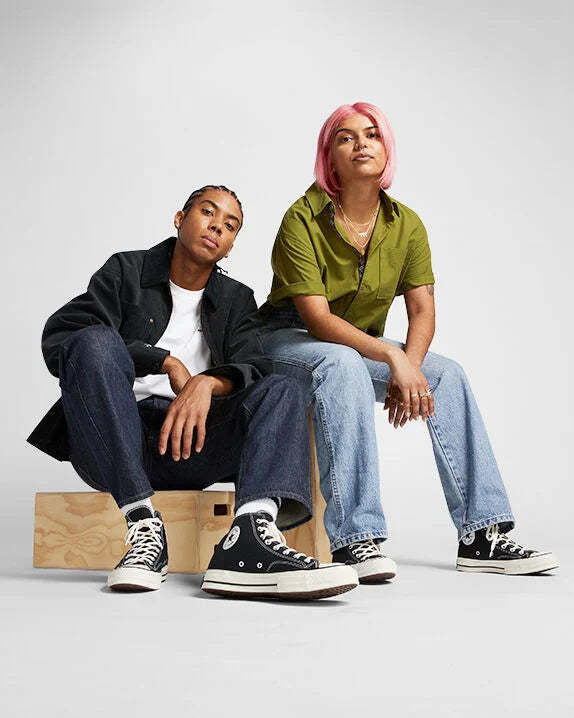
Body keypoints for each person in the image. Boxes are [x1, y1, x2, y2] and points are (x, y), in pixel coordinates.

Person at [251, 103, 558, 580]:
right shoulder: (302, 218)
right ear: (329, 156)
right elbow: (318, 320)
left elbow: (422, 311)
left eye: (372, 134)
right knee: (341, 363)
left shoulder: (406, 224)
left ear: (386, 148)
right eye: (346, 137)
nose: (361, 143)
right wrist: (392, 357)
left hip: (357, 346)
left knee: (446, 375)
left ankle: (482, 534)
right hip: (286, 342)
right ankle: (356, 539)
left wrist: (410, 368)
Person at [27, 184, 358, 600]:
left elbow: (255, 366)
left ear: (230, 247)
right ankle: (145, 530)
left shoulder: (236, 299)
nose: (217, 227)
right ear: (180, 218)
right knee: (94, 340)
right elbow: (64, 336)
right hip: (111, 439)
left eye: (230, 225)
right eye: (208, 212)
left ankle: (249, 538)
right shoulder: (126, 271)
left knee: (281, 388)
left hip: (191, 443)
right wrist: (164, 362)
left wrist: (207, 382)